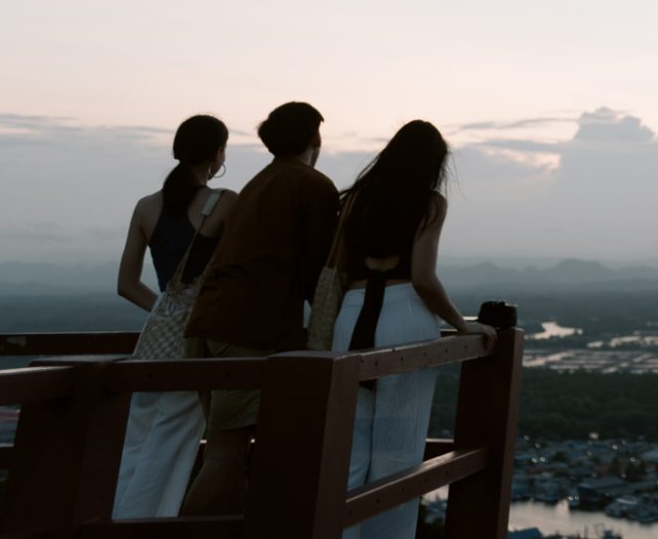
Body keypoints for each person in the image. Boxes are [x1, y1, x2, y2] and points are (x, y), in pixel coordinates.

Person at [331, 120, 488, 539]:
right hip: (402, 317)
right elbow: (422, 277)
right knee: (398, 451)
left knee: (348, 448)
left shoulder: (355, 200)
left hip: (351, 314)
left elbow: (340, 270)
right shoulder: (429, 202)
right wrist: (461, 325)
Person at [180, 102, 339, 516]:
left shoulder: (259, 182)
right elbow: (319, 275)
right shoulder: (312, 185)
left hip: (208, 325)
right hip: (248, 332)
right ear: (315, 139)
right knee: (228, 455)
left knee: (227, 452)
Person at [111, 114, 231, 518]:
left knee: (137, 438)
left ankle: (116, 519)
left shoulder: (145, 207)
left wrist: (167, 311)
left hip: (153, 342)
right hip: (197, 340)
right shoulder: (224, 203)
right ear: (218, 153)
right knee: (173, 439)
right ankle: (144, 525)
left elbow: (127, 284)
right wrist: (189, 316)